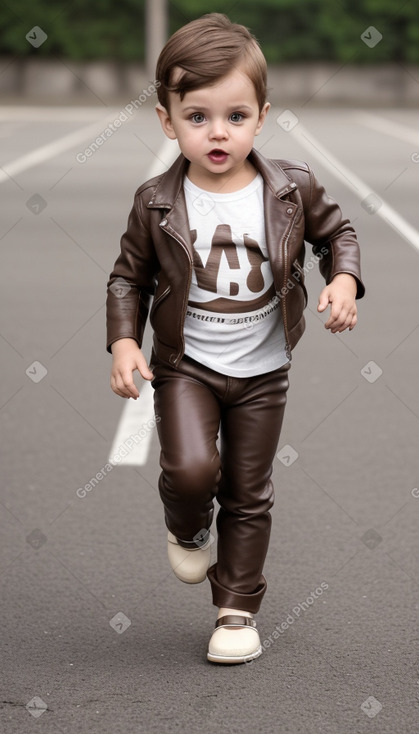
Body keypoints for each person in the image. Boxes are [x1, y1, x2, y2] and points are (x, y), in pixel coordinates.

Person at [106, 12, 365, 664]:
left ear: (262, 114)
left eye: (235, 115)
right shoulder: (155, 201)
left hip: (262, 371)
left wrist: (343, 281)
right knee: (192, 470)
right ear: (166, 120)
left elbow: (339, 235)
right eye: (196, 117)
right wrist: (124, 343)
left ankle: (236, 609)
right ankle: (186, 525)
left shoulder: (290, 188)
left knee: (249, 493)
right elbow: (126, 278)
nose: (217, 132)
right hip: (187, 365)